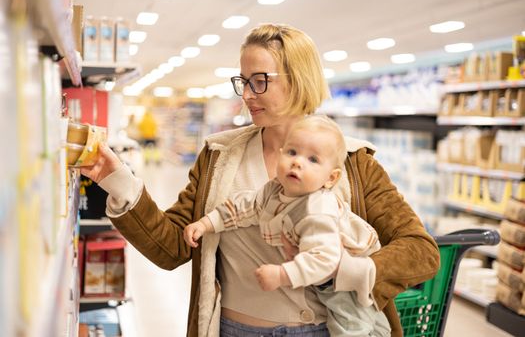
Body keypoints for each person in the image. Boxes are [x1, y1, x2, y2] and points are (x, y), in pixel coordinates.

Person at [81, 23, 439, 337]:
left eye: (260, 81)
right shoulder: (219, 157)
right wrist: (119, 183)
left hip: (322, 330)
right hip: (234, 329)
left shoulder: (352, 161)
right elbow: (173, 247)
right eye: (243, 81)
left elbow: (420, 251)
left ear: (299, 79)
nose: (247, 95)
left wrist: (341, 272)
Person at [183, 115, 391, 336]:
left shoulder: (318, 208)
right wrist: (206, 224)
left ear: (331, 178)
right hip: (328, 281)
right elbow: (246, 207)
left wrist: (282, 274)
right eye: (292, 152)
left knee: (352, 328)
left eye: (313, 159)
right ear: (281, 153)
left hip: (349, 285)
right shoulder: (275, 190)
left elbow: (325, 259)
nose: (297, 162)